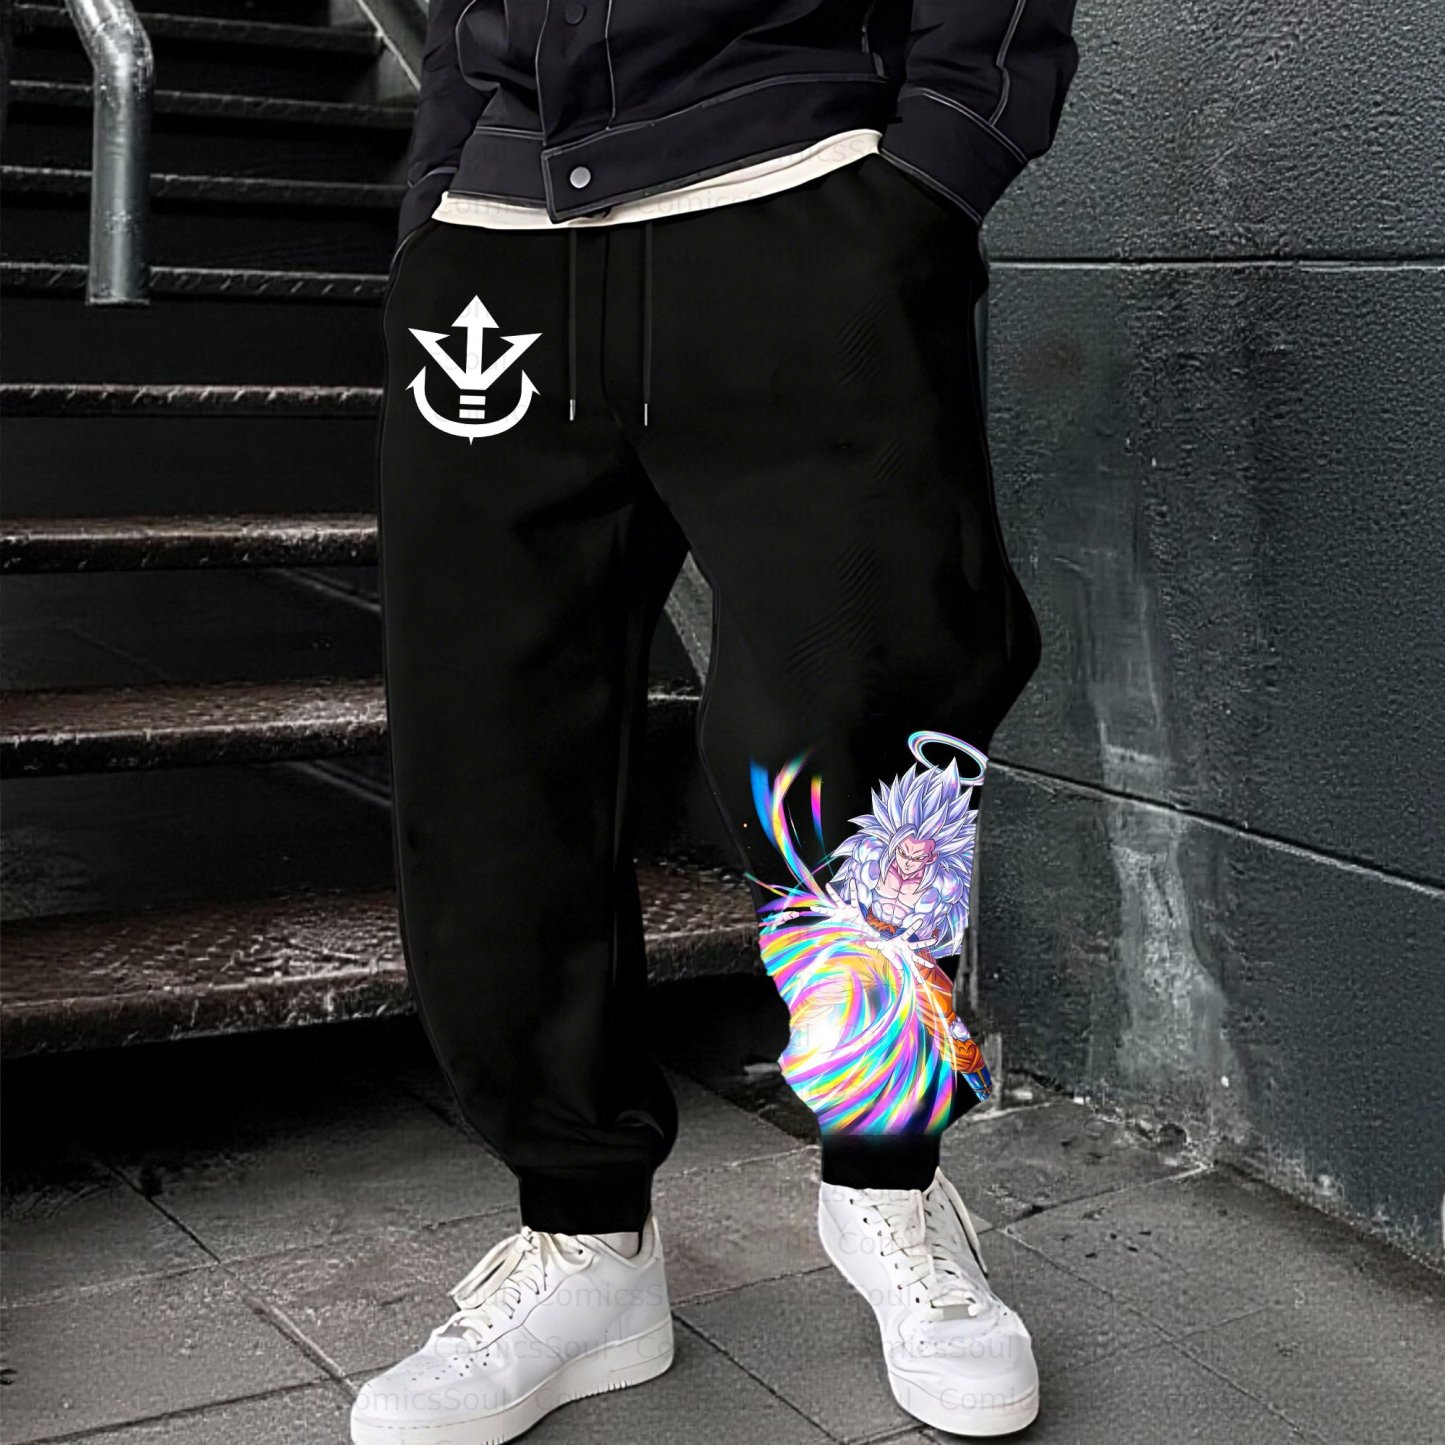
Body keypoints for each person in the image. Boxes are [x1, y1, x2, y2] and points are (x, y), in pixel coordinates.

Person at [354, 3, 1077, 1440]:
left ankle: (889, 1187)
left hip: (792, 198)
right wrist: (438, 192)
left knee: (864, 742)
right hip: (499, 245)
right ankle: (582, 1237)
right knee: (489, 764)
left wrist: (932, 167)